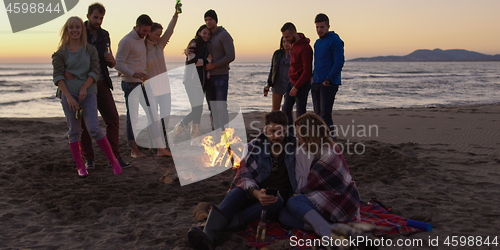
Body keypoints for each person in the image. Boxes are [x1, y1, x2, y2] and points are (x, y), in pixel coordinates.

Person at [187, 111, 297, 249]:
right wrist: (257, 193)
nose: (277, 136)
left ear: (287, 130)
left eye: (281, 132)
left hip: (277, 202)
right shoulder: (252, 147)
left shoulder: (295, 147)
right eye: (272, 131)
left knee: (277, 200)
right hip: (254, 195)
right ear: (265, 129)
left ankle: (209, 230)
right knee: (236, 192)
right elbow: (243, 176)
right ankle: (210, 236)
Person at [52, 16, 122, 177]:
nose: (75, 30)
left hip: (89, 92)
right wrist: (69, 97)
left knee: (93, 128)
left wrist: (84, 87)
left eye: (78, 27)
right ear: (67, 30)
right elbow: (57, 77)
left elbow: (94, 71)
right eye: (71, 27)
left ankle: (113, 160)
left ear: (82, 30)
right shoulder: (61, 52)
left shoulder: (90, 49)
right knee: (75, 131)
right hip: (69, 94)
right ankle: (80, 165)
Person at [65, 3, 130, 170]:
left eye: (101, 18)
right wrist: (64, 72)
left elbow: (110, 61)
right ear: (88, 16)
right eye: (95, 17)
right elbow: (68, 54)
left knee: (113, 119)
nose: (98, 21)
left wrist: (113, 62)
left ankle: (114, 156)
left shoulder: (104, 34)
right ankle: (89, 159)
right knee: (84, 125)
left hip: (101, 83)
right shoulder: (79, 32)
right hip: (82, 85)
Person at [279, 113, 360, 238]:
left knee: (293, 202)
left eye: (300, 134)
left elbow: (314, 186)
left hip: (342, 204)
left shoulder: (329, 152)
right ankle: (331, 227)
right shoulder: (303, 148)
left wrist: (299, 196)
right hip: (323, 204)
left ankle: (324, 230)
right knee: (283, 215)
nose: (297, 137)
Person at [115, 14, 153, 158]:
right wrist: (133, 73)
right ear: (137, 26)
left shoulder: (142, 39)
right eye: (144, 31)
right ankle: (133, 149)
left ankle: (150, 143)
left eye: (148, 31)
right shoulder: (126, 41)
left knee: (151, 112)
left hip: (143, 83)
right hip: (130, 83)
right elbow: (118, 63)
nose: (146, 34)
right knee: (133, 116)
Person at [144, 4, 180, 156]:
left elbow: (170, 31)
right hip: (150, 88)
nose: (159, 37)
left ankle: (162, 145)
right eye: (156, 34)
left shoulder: (160, 45)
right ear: (149, 33)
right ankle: (157, 147)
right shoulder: (142, 47)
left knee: (165, 117)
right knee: (153, 118)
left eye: (160, 34)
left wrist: (176, 14)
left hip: (165, 88)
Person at [169, 25, 211, 146]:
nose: (206, 36)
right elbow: (192, 60)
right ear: (199, 32)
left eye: (208, 34)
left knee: (198, 110)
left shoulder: (204, 45)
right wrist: (206, 61)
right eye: (204, 33)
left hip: (200, 83)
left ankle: (195, 138)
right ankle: (174, 132)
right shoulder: (194, 42)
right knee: (196, 109)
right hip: (191, 82)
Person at [311, 13, 345, 135]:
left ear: (328, 26)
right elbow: (317, 63)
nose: (319, 30)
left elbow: (339, 62)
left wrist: (329, 80)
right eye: (317, 27)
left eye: (321, 27)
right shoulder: (317, 43)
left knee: (325, 114)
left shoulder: (335, 40)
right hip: (316, 82)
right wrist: (312, 77)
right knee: (317, 115)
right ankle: (321, 140)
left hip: (328, 83)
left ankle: (330, 140)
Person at [203, 9, 235, 131]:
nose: (208, 22)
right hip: (208, 77)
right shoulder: (207, 35)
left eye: (210, 19)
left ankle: (225, 133)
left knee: (221, 107)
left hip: (221, 75)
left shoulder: (224, 35)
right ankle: (216, 132)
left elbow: (231, 55)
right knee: (212, 108)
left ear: (215, 20)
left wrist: (214, 65)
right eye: (206, 20)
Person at [280, 22, 313, 134]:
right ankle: (290, 134)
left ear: (294, 32)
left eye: (288, 37)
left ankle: (302, 136)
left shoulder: (305, 48)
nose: (286, 40)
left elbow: (307, 72)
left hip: (302, 84)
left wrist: (296, 87)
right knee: (285, 109)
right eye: (284, 37)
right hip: (292, 81)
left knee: (300, 113)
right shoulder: (293, 45)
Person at [264, 36, 291, 111]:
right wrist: (268, 84)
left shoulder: (294, 54)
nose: (286, 44)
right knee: (275, 109)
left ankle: (288, 123)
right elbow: (273, 69)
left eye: (288, 42)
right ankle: (274, 123)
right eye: (284, 42)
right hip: (277, 84)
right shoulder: (277, 54)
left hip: (289, 84)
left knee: (287, 109)